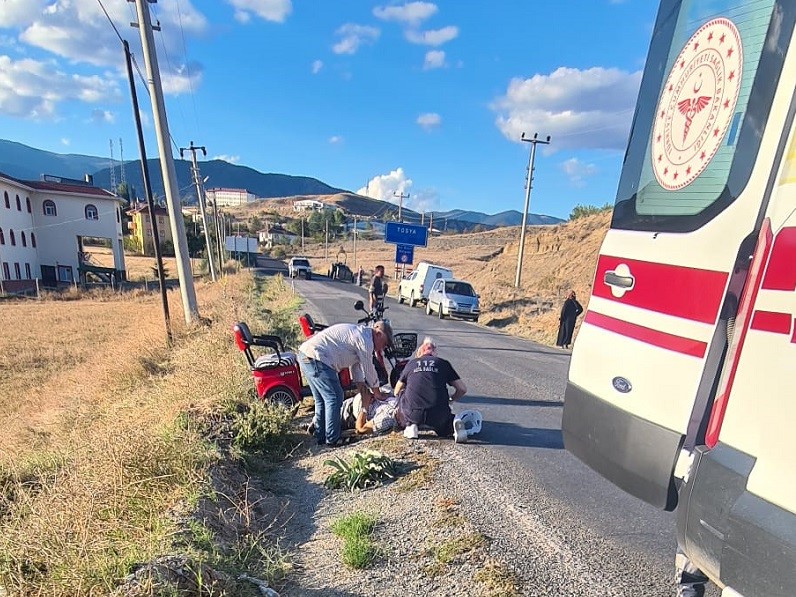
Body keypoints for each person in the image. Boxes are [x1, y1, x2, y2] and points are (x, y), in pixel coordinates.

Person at [298, 320, 394, 447]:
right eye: (385, 344)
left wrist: (361, 388)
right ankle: (332, 438)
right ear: (378, 334)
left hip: (306, 355)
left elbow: (356, 367)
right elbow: (368, 368)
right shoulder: (365, 340)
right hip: (317, 357)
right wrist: (377, 393)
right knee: (335, 397)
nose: (382, 348)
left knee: (322, 399)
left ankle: (320, 435)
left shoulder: (361, 335)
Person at [393, 337, 470, 442]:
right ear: (434, 352)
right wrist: (451, 399)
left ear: (420, 351)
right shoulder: (443, 363)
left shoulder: (411, 364)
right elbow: (462, 389)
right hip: (439, 415)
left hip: (414, 413)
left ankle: (411, 425)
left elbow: (396, 391)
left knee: (402, 393)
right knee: (442, 425)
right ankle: (451, 425)